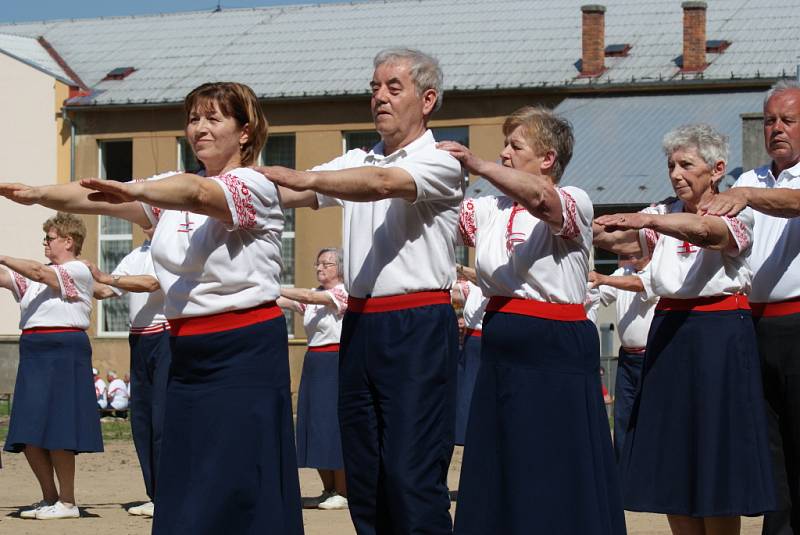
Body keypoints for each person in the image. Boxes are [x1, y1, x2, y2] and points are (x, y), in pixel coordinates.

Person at [0, 81, 303, 535]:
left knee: (242, 471)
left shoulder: (252, 185)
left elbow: (196, 194)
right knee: (185, 470)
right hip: (185, 347)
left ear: (244, 132)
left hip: (244, 347)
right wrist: (37, 193)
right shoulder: (167, 201)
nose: (199, 128)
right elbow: (94, 198)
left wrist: (133, 187)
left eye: (213, 118)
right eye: (194, 118)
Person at [257, 48, 462, 534]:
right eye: (374, 87)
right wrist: (229, 187)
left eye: (394, 87)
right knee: (364, 473)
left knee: (411, 471)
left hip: (417, 324)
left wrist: (307, 177)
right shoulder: (355, 157)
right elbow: (297, 193)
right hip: (363, 324)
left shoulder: (440, 160)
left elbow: (380, 183)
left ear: (427, 99)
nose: (380, 97)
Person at [438, 105, 626, 535]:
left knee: (554, 459)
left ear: (547, 159)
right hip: (502, 341)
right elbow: (440, 217)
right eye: (503, 144)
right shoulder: (490, 209)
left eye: (514, 145)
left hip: (554, 343)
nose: (503, 153)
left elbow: (542, 200)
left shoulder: (575, 199)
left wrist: (477, 164)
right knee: (503, 459)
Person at [594, 123, 775, 534]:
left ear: (716, 169)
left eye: (686, 165)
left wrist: (646, 221)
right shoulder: (662, 212)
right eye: (671, 164)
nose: (675, 174)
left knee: (716, 453)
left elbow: (706, 232)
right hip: (669, 330)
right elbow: (617, 240)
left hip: (719, 333)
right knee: (673, 454)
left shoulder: (734, 211)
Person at [702, 79, 800, 535]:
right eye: (770, 121)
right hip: (751, 323)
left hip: (796, 322)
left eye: (788, 120)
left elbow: (794, 202)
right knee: (769, 445)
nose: (777, 128)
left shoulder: (751, 189)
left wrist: (746, 197)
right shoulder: (749, 178)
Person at [0, 212, 102, 520]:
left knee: (59, 427)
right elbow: (8, 277)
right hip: (34, 350)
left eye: (50, 238)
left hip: (64, 349)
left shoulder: (77, 270)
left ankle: (68, 502)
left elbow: (37, 272)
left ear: (68, 241)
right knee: (28, 429)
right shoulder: (37, 276)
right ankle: (49, 497)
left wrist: (3, 255)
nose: (45, 243)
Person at [87, 227, 168, 517]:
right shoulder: (136, 254)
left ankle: (169, 493)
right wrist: (70, 277)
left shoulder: (172, 250)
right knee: (143, 421)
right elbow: (106, 290)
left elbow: (150, 284)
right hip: (140, 339)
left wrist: (107, 277)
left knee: (162, 419)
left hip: (167, 336)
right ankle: (156, 493)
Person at [278, 247, 349, 511]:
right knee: (314, 423)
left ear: (340, 268)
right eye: (318, 264)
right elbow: (286, 301)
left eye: (327, 264)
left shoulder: (342, 292)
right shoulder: (314, 294)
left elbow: (305, 296)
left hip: (335, 361)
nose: (320, 269)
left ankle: (343, 490)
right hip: (315, 362)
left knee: (332, 423)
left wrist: (277, 287)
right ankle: (328, 488)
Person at [587, 255, 658, 459]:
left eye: (632, 250)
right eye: (624, 254)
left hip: (652, 357)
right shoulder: (622, 274)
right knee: (622, 420)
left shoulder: (655, 270)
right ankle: (622, 476)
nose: (628, 257)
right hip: (627, 358)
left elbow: (638, 284)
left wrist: (602, 278)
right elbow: (595, 292)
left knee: (651, 420)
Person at [452, 265, 488, 447]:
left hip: (481, 339)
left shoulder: (492, 284)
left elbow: (481, 276)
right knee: (467, 387)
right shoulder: (475, 288)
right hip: (473, 339)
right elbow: (454, 292)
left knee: (469, 386)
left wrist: (458, 267)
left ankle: (464, 433)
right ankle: (463, 433)